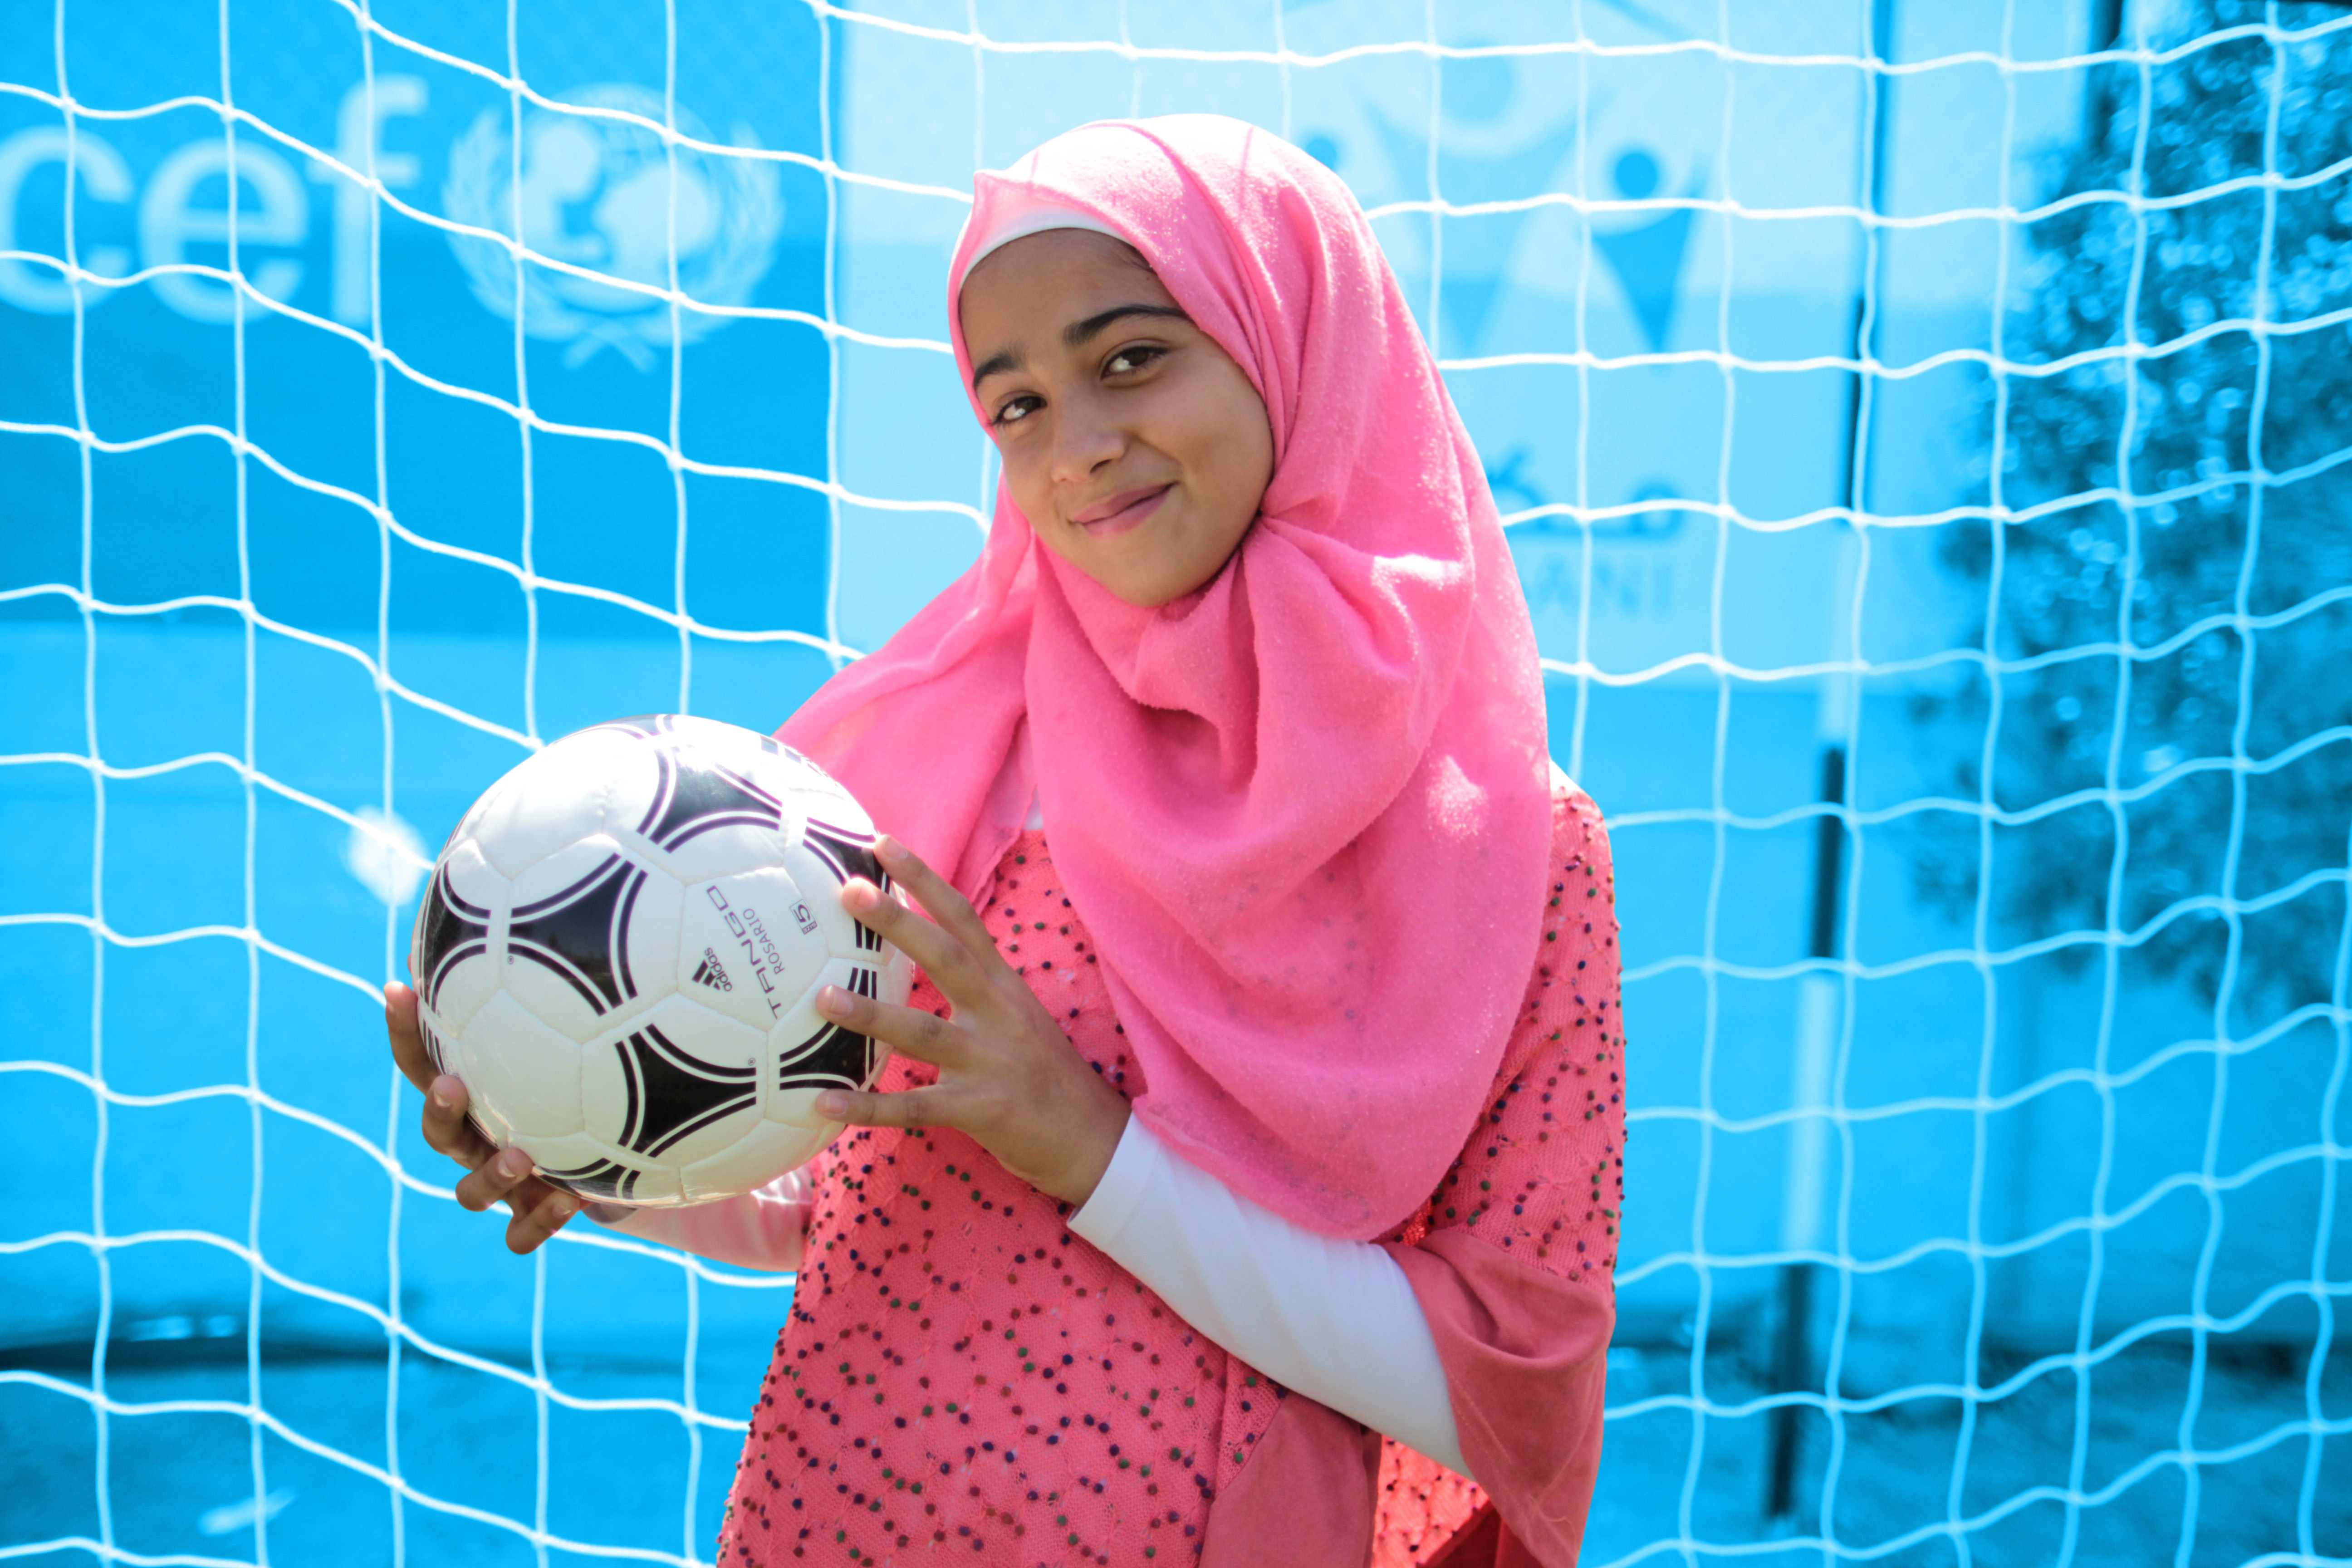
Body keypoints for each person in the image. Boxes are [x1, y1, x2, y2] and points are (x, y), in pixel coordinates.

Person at [385, 114, 1626, 1567]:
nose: (1080, 447)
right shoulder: (959, 735)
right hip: (844, 1512)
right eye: (1017, 403)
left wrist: (1090, 1149)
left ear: (1296, 338)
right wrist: (617, 1149)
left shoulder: (1521, 851)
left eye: (1129, 358)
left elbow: (1507, 1403)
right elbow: (836, 1188)